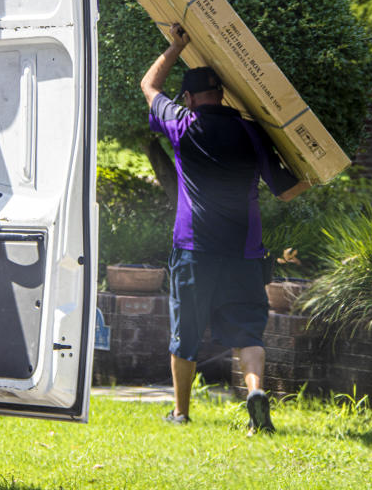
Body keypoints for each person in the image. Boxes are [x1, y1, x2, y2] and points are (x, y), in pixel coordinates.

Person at [140, 23, 310, 435]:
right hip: (245, 252)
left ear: (191, 98)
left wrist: (177, 45)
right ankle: (255, 392)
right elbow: (287, 191)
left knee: (186, 332)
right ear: (222, 95)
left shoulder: (182, 123)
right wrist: (316, 170)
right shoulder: (253, 131)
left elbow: (148, 85)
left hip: (194, 249)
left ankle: (180, 412)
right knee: (247, 329)